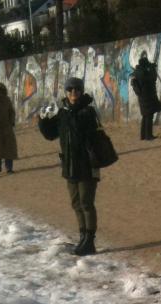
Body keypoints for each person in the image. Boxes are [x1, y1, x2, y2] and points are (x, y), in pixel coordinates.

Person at [38, 76, 102, 256]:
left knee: (86, 203)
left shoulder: (88, 111)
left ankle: (90, 240)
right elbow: (51, 134)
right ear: (66, 92)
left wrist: (69, 113)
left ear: (81, 91)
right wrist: (43, 120)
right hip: (69, 165)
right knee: (76, 203)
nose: (73, 92)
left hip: (87, 165)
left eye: (77, 89)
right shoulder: (63, 112)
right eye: (70, 89)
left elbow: (86, 133)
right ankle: (82, 236)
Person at [130, 51, 161, 141]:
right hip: (147, 97)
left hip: (142, 97)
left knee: (145, 116)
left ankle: (143, 135)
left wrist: (150, 68)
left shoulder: (137, 71)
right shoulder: (143, 73)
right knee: (149, 116)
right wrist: (152, 69)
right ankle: (148, 136)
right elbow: (153, 78)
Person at [0, 82, 18, 173]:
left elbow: (11, 111)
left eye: (2, 92)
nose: (0, 94)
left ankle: (9, 168)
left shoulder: (7, 100)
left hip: (7, 127)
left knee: (9, 148)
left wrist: (12, 121)